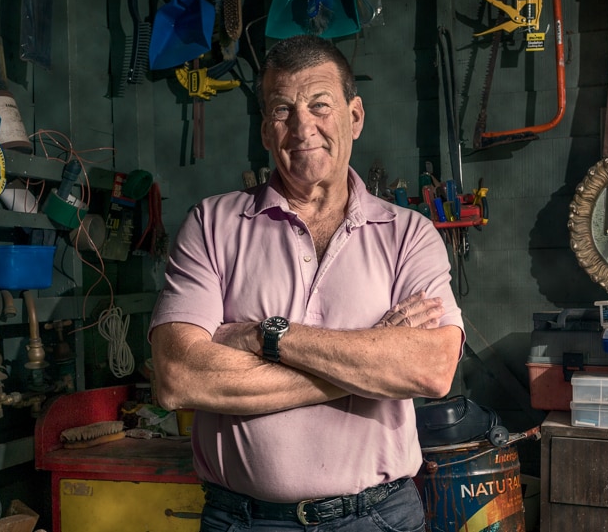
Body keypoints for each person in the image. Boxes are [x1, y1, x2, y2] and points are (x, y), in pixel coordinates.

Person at [149, 34, 464, 532]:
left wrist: (265, 336)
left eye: (320, 105)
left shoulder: (409, 234)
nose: (302, 127)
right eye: (281, 110)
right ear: (265, 132)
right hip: (245, 520)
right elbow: (178, 377)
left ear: (354, 117)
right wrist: (370, 361)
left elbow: (431, 368)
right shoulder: (212, 223)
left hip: (377, 517)